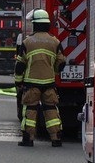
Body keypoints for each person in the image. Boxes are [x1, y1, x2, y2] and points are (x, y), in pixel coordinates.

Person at [15, 8, 66, 147]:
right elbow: (61, 62)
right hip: (49, 83)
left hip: (31, 84)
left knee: (30, 111)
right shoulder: (55, 42)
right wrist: (53, 72)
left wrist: (18, 82)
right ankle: (56, 139)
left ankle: (28, 139)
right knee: (51, 110)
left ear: (35, 24)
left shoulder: (27, 42)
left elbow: (20, 65)